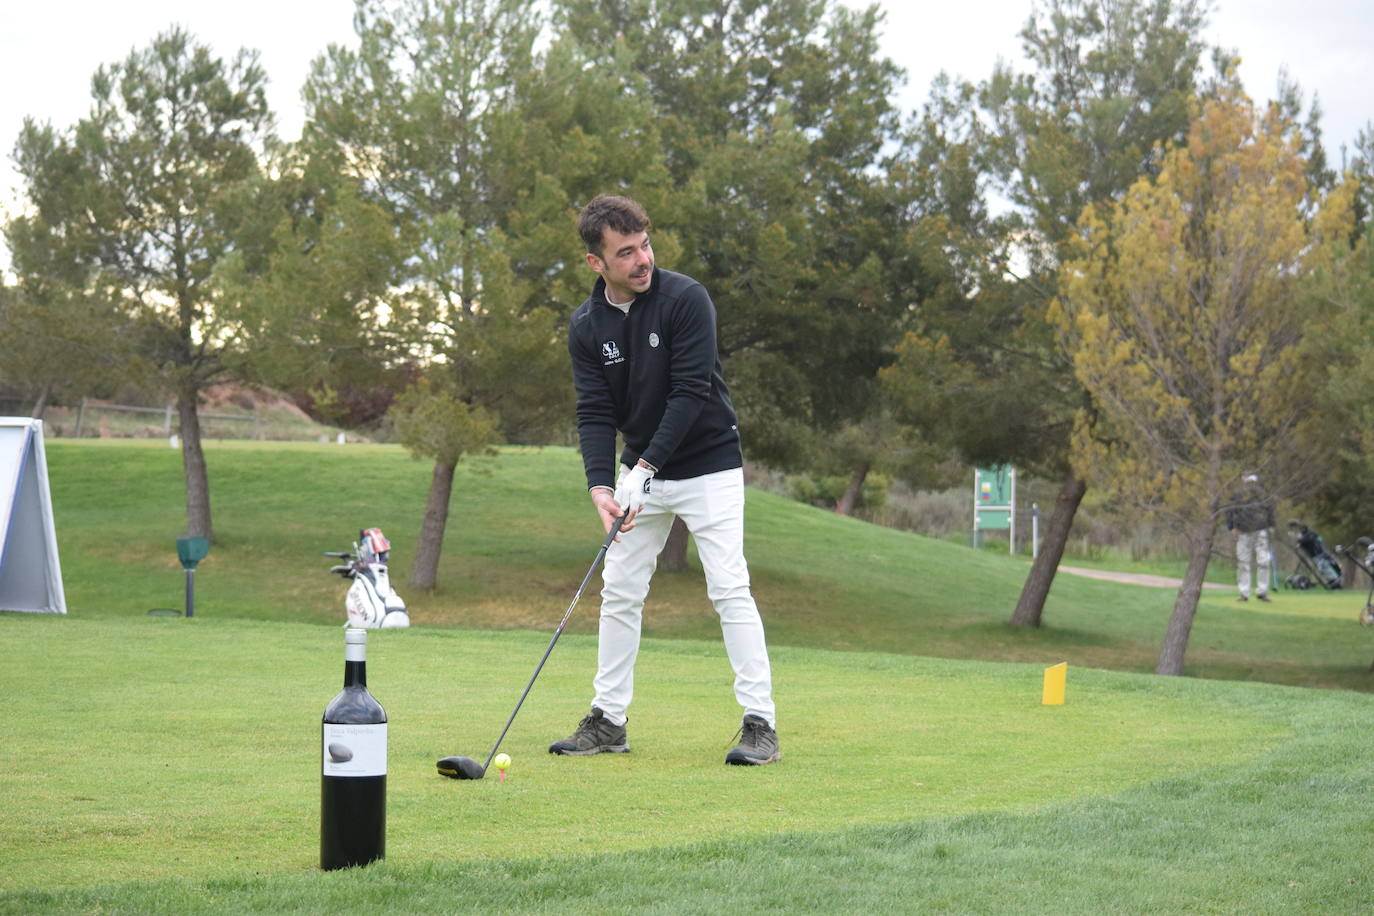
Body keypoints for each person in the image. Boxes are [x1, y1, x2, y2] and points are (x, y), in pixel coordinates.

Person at [550, 194, 779, 766]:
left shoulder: (686, 299)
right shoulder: (586, 327)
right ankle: (608, 722)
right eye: (625, 252)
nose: (642, 259)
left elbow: (689, 392)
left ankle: (760, 724)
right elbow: (595, 412)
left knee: (729, 587)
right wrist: (601, 486)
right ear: (596, 263)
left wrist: (643, 468)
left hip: (709, 463)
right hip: (639, 473)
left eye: (645, 245)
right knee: (621, 591)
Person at [1226, 472, 1275, 602]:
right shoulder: (1237, 495)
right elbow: (1230, 511)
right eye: (1248, 482)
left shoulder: (1262, 494)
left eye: (1252, 482)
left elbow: (1270, 510)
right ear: (1244, 482)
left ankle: (1262, 591)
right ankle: (1244, 593)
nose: (1251, 485)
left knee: (1264, 561)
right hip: (1243, 531)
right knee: (1243, 563)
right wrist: (1232, 527)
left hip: (1260, 530)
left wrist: (1271, 525)